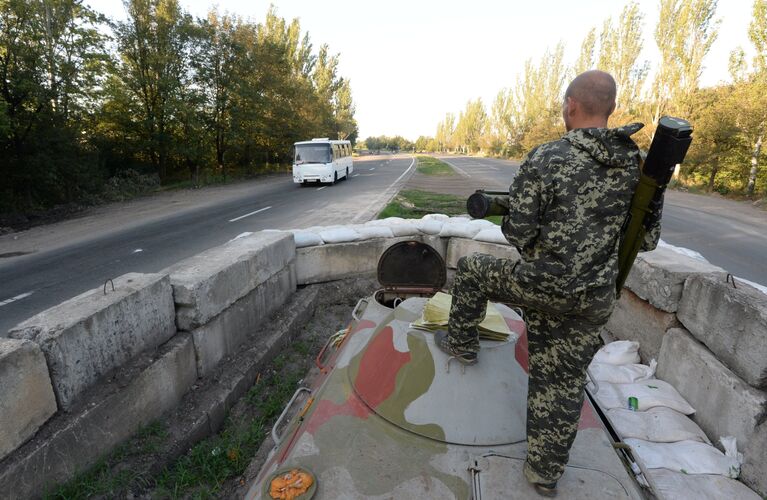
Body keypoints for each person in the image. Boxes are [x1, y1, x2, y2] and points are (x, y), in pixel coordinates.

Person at [435, 70, 660, 497]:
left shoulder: (548, 156)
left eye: (564, 104)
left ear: (571, 105)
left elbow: (518, 233)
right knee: (562, 381)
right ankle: (544, 473)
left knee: (473, 271)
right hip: (593, 299)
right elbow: (646, 238)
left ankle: (461, 344)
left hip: (543, 285)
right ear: (610, 109)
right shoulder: (638, 167)